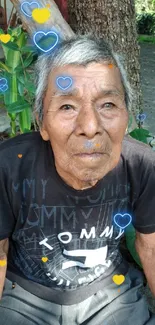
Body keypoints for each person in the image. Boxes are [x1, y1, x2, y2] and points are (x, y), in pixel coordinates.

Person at [0, 34, 155, 325]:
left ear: (126, 115)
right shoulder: (8, 167)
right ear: (42, 122)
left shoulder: (142, 166)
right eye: (67, 107)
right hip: (24, 296)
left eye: (108, 104)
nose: (90, 127)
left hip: (111, 295)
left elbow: (151, 247)